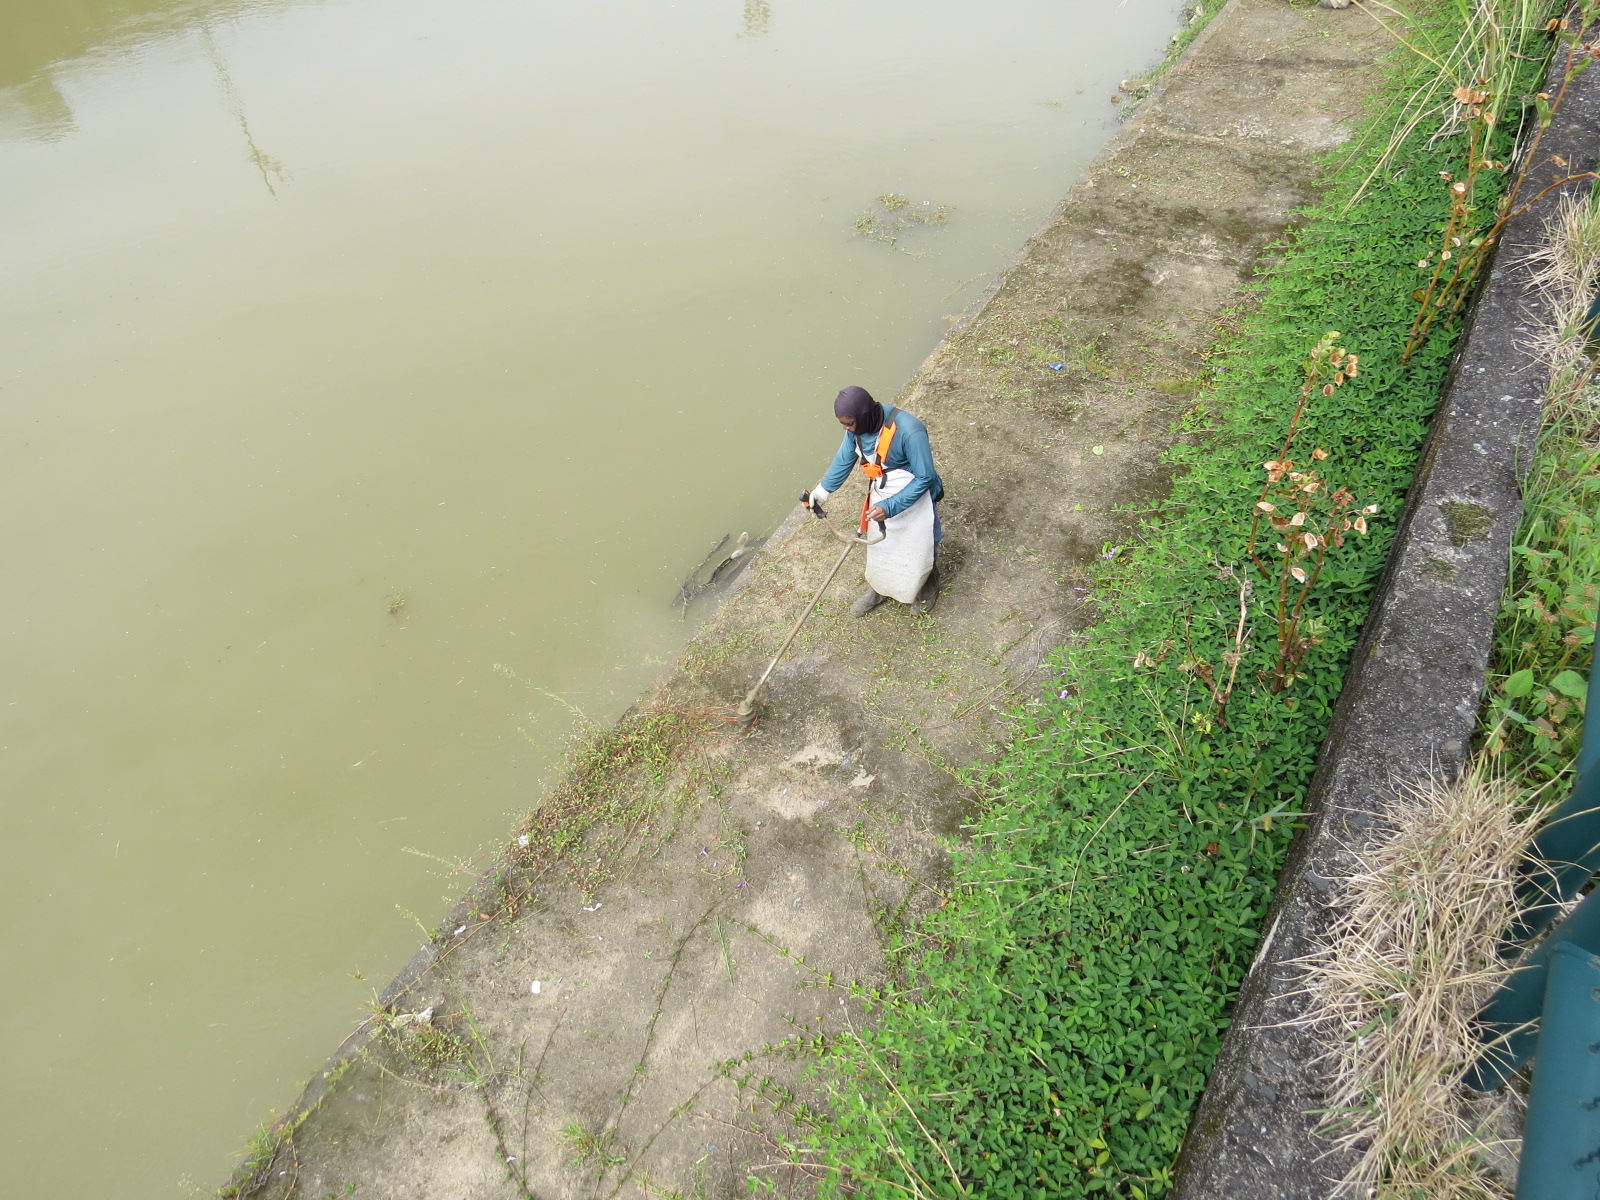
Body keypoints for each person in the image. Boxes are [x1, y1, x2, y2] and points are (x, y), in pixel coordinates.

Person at [804, 385, 944, 616]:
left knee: (923, 542)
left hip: (916, 495)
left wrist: (890, 507)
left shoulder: (910, 431)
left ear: (865, 415)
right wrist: (821, 493)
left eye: (849, 423)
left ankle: (927, 583)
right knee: (882, 545)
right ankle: (880, 589)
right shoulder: (856, 430)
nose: (846, 428)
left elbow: (925, 477)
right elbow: (843, 459)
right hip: (883, 491)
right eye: (843, 423)